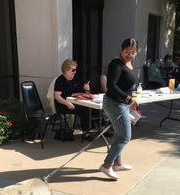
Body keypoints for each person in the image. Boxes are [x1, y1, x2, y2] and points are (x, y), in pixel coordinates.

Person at [99, 38, 139, 180]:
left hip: (122, 103)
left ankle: (117, 163)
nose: (130, 54)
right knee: (125, 136)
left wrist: (130, 98)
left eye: (133, 52)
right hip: (115, 103)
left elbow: (125, 85)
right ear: (121, 50)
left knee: (119, 133)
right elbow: (111, 85)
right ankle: (106, 165)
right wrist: (128, 99)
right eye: (127, 51)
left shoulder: (128, 64)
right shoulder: (116, 64)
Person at [54, 59, 94, 141]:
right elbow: (57, 97)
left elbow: (83, 92)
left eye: (75, 70)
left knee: (94, 107)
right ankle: (86, 132)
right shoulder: (60, 80)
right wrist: (67, 103)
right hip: (64, 105)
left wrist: (87, 90)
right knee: (85, 109)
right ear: (66, 70)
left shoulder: (75, 79)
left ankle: (103, 128)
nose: (75, 72)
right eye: (73, 70)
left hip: (76, 102)